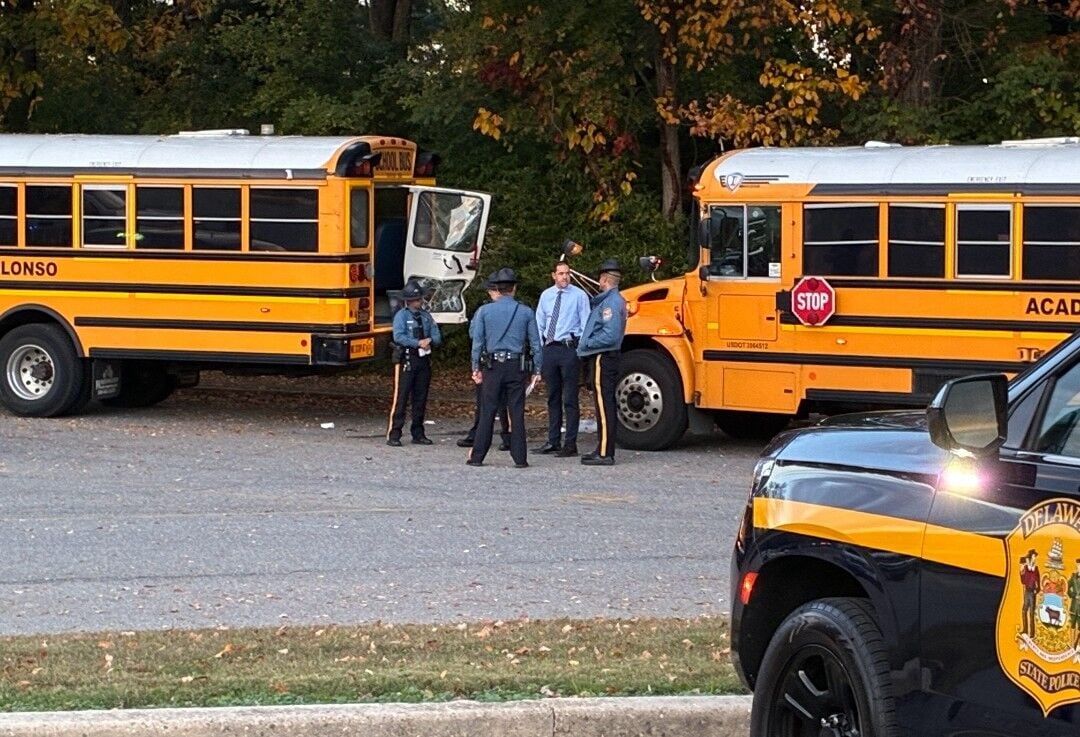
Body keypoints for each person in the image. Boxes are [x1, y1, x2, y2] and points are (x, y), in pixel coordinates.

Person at [466, 267, 542, 468]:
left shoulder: (484, 311)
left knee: (487, 411)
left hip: (492, 366)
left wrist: (475, 367)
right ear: (514, 288)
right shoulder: (525, 311)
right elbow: (535, 343)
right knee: (516, 411)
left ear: (497, 289)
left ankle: (478, 456)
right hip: (516, 366)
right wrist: (537, 369)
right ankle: (520, 458)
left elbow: (478, 342)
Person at [534, 258, 591, 457]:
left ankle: (570, 443)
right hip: (551, 348)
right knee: (552, 397)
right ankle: (553, 441)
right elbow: (539, 321)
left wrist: (579, 350)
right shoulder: (546, 296)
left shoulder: (579, 296)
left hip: (569, 348)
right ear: (554, 276)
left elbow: (585, 323)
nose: (564, 277)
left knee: (570, 398)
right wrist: (541, 347)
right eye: (561, 273)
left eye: (567, 273)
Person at [576, 258, 627, 466]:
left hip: (603, 356)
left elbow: (610, 335)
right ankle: (603, 447)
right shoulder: (611, 301)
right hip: (604, 356)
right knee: (603, 403)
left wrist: (587, 343)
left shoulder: (611, 303)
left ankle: (605, 451)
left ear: (605, 279)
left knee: (604, 404)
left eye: (600, 278)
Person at [458, 273, 511, 451]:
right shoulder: (485, 310)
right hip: (490, 358)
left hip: (496, 358)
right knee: (486, 400)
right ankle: (483, 434)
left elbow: (476, 335)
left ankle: (505, 435)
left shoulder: (497, 310)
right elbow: (474, 333)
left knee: (500, 402)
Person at [386, 280, 442, 447]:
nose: (420, 302)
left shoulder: (426, 316)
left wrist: (429, 340)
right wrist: (416, 343)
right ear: (409, 301)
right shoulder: (401, 316)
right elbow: (399, 336)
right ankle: (395, 432)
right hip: (408, 358)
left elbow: (437, 335)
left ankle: (418, 432)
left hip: (423, 359)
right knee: (401, 397)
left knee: (420, 397)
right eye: (417, 299)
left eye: (420, 299)